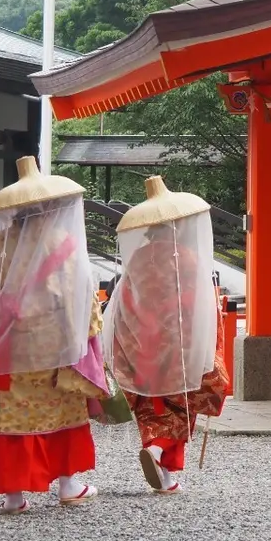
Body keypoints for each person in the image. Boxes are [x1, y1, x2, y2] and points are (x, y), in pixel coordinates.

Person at [0, 156, 107, 513]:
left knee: (11, 417)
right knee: (63, 413)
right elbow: (80, 299)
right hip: (54, 348)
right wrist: (88, 332)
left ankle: (14, 495)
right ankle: (68, 485)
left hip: (8, 349)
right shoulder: (64, 245)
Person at [102, 177, 229, 495]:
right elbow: (196, 305)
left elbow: (126, 302)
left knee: (151, 404)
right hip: (177, 345)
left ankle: (165, 471)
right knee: (184, 400)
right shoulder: (186, 259)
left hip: (141, 345)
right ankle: (158, 452)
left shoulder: (139, 260)